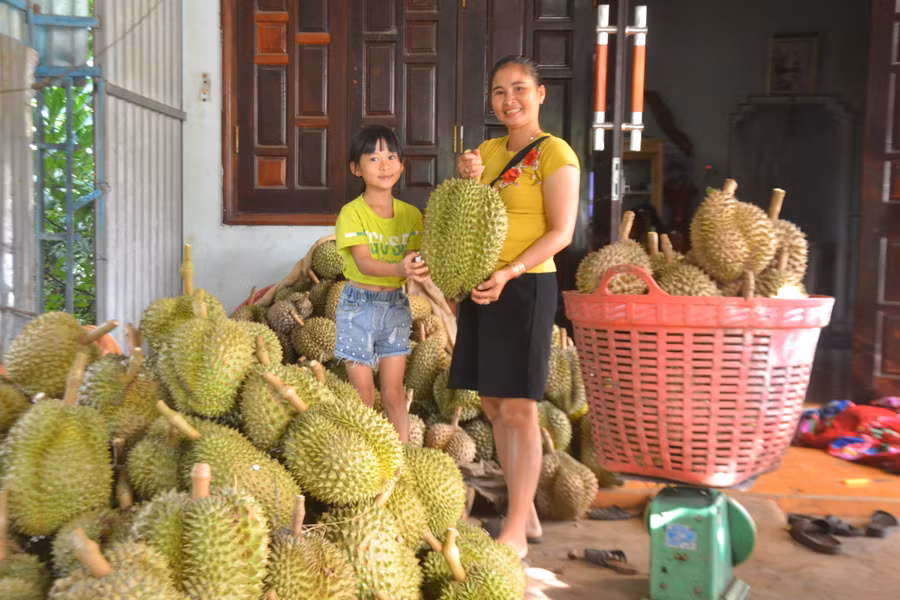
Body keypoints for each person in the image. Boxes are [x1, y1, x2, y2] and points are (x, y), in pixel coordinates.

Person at [451, 55, 580, 559]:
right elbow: (467, 218)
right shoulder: (486, 150)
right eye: (500, 91)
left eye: (520, 89)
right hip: (482, 287)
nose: (511, 100)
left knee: (521, 408)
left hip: (525, 288)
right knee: (493, 403)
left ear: (540, 94)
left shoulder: (556, 155)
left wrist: (509, 273)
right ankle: (523, 511)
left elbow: (560, 232)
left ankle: (514, 529)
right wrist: (467, 176)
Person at [334, 124, 429, 443]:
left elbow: (414, 262)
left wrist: (422, 271)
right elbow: (363, 263)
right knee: (363, 395)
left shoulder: (412, 215)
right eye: (373, 158)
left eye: (391, 156)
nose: (385, 164)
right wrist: (400, 266)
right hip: (356, 307)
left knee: (394, 392)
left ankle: (400, 465)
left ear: (402, 164)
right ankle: (365, 463)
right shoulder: (351, 213)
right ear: (355, 168)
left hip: (395, 307)